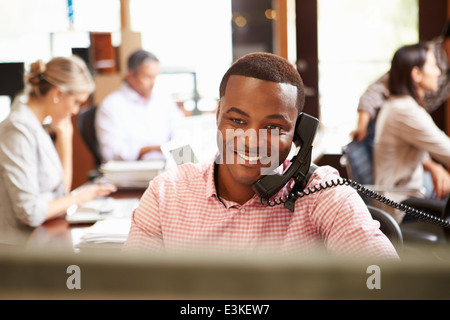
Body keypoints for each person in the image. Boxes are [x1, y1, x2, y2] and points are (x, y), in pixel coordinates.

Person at [123, 52, 399, 259]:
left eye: (273, 127)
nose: (252, 142)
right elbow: (129, 289)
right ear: (218, 115)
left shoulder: (322, 193)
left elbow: (384, 280)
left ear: (299, 133)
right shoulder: (166, 193)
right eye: (238, 121)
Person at [0, 56, 117, 245]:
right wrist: (78, 198)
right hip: (20, 248)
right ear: (57, 94)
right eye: (76, 102)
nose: (75, 111)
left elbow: (60, 192)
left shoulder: (37, 125)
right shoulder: (17, 131)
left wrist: (65, 137)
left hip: (42, 238)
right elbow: (30, 213)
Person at [374, 43, 450, 223]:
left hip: (406, 198)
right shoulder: (405, 111)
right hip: (402, 208)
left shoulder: (397, 105)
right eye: (433, 65)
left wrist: (433, 166)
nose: (439, 71)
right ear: (416, 74)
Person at [350, 19, 450, 144]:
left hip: (411, 126)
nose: (437, 72)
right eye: (433, 67)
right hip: (383, 128)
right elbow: (374, 92)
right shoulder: (426, 55)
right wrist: (362, 127)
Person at [95, 49, 184, 162]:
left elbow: (180, 130)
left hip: (166, 165)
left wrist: (175, 148)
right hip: (132, 172)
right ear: (131, 76)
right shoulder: (111, 106)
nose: (153, 83)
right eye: (147, 77)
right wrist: (150, 150)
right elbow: (111, 153)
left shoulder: (164, 99)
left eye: (155, 76)